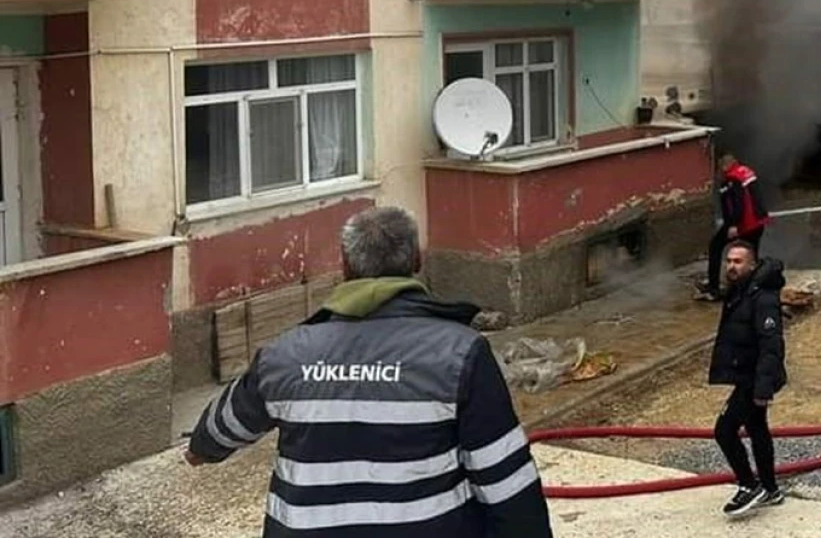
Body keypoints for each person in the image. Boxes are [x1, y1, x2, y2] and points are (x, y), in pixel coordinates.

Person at [185, 206, 553, 538]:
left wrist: (200, 451)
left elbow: (215, 433)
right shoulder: (460, 352)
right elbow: (506, 482)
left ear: (345, 265)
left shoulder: (284, 355)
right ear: (417, 260)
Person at [709, 239, 788, 518]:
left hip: (755, 379)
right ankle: (770, 489)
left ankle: (748, 485)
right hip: (746, 375)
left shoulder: (762, 297)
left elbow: (772, 344)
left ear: (752, 264)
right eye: (728, 261)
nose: (731, 266)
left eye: (738, 261)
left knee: (724, 430)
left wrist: (763, 387)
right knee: (756, 429)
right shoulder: (739, 290)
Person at [699, 153, 771, 300]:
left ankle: (713, 289)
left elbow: (736, 204)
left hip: (744, 223)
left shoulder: (732, 179)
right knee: (751, 255)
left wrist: (733, 225)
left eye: (719, 168)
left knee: (715, 246)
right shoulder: (746, 171)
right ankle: (752, 288)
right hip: (759, 221)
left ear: (724, 166)